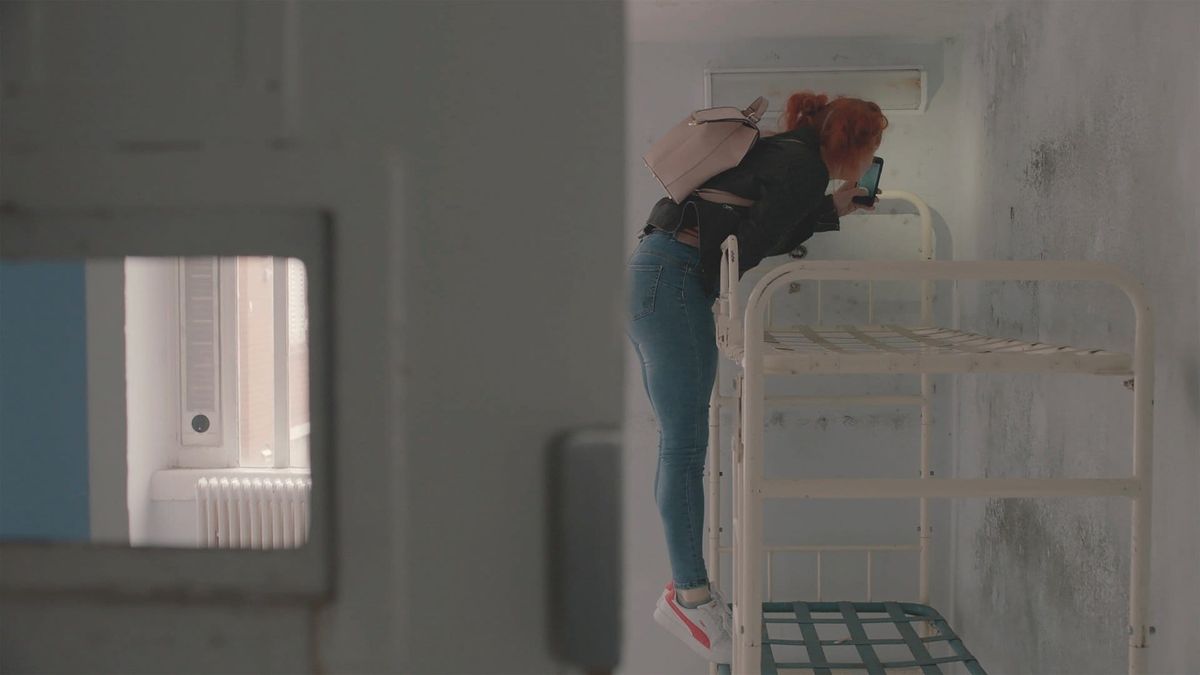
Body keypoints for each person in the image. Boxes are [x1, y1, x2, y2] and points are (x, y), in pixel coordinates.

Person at [626, 90, 889, 664]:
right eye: (872, 146)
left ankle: (689, 591)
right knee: (683, 447)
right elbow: (747, 245)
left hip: (655, 276)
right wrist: (824, 210)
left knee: (681, 445)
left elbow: (745, 222)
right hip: (670, 284)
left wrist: (828, 211)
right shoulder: (806, 167)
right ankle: (690, 599)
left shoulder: (782, 151)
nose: (870, 157)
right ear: (852, 142)